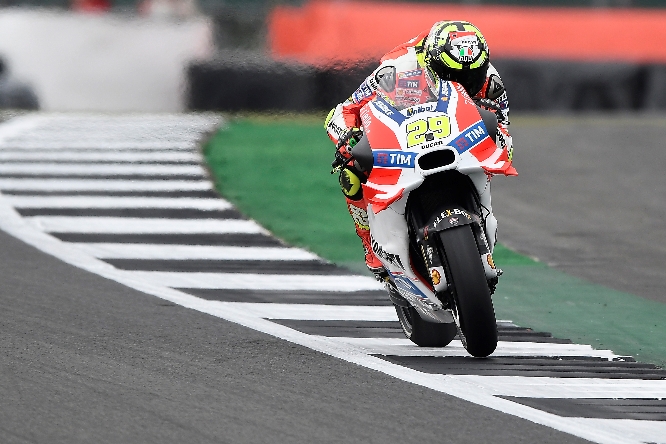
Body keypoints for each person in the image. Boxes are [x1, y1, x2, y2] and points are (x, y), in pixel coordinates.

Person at [324, 20, 513, 280]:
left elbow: (502, 125)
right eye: (454, 77)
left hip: (457, 131)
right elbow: (347, 109)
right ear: (433, 65)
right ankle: (371, 246)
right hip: (405, 130)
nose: (466, 83)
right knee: (351, 173)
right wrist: (346, 137)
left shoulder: (488, 77)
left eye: (472, 76)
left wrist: (498, 143)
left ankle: (478, 213)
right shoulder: (397, 67)